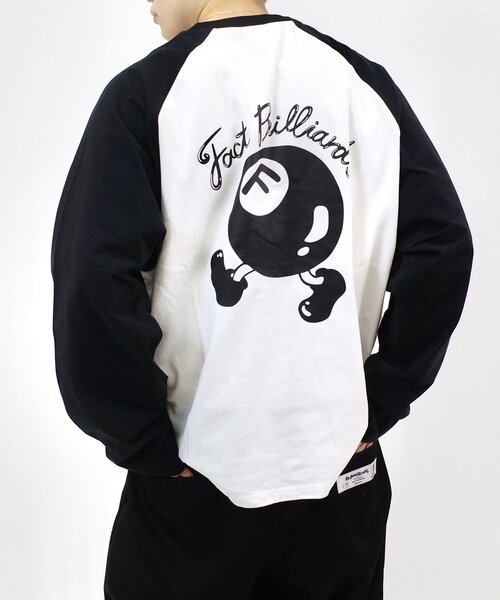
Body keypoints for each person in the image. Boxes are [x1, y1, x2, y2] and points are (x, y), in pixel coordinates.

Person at [50, 0, 474, 598]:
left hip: (196, 480)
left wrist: (143, 440)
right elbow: (442, 247)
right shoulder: (360, 83)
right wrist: (378, 399)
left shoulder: (145, 94)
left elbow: (91, 276)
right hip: (338, 479)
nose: (148, 5)